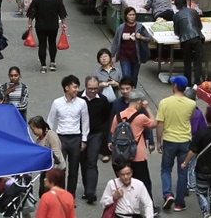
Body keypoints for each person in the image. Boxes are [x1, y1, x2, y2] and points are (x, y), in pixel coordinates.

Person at [109, 90, 157, 206]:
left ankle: (127, 206)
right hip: (138, 155)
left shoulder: (118, 116)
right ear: (139, 102)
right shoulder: (140, 117)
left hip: (121, 156)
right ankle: (148, 207)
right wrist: (147, 108)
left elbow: (112, 133)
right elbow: (153, 123)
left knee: (125, 183)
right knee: (144, 182)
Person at [156, 75, 196, 212]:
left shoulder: (164, 103)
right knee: (183, 171)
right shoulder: (191, 104)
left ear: (175, 86)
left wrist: (158, 141)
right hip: (185, 141)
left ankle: (168, 194)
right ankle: (180, 203)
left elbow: (160, 124)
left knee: (166, 169)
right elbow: (189, 118)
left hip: (169, 140)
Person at [46, 75, 89, 197]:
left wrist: (84, 140)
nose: (77, 89)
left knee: (74, 170)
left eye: (77, 87)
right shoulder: (57, 102)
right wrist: (49, 139)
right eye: (74, 87)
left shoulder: (82, 103)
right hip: (61, 138)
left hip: (76, 138)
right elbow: (50, 121)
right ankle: (59, 195)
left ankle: (71, 196)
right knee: (59, 169)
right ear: (66, 87)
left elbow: (85, 121)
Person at [78, 76, 111, 204]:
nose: (93, 91)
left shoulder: (103, 100)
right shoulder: (78, 97)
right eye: (90, 89)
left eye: (95, 89)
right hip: (80, 134)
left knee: (92, 162)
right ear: (85, 87)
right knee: (83, 162)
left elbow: (106, 118)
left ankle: (91, 192)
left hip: (95, 135)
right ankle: (87, 188)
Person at [27, 0, 67, 74]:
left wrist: (30, 23)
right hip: (53, 25)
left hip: (40, 25)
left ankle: (43, 65)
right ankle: (52, 62)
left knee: (42, 44)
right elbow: (62, 13)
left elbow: (32, 12)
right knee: (52, 43)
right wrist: (64, 24)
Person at [110, 77, 156, 160]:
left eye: (127, 89)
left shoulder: (140, 105)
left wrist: (151, 142)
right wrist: (110, 140)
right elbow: (112, 123)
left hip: (138, 141)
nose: (125, 91)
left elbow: (147, 124)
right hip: (121, 141)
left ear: (133, 88)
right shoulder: (116, 103)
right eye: (122, 89)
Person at [110, 7, 152, 86]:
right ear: (126, 16)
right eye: (130, 15)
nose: (132, 16)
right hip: (124, 56)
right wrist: (112, 55)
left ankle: (133, 92)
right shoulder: (121, 27)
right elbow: (116, 42)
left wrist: (141, 37)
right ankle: (127, 92)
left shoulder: (140, 27)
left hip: (136, 56)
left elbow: (148, 39)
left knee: (134, 76)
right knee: (126, 76)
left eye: (133, 15)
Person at [28, 116, 67, 196]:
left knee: (54, 196)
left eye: (33, 129)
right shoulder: (39, 140)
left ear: (39, 127)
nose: (33, 132)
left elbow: (57, 154)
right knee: (43, 194)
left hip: (56, 171)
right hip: (45, 171)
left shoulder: (51, 135)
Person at [173, 0, 204, 86]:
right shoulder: (194, 12)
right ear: (185, 4)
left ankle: (187, 82)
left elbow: (176, 32)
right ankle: (197, 82)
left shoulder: (176, 16)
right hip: (197, 37)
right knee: (198, 61)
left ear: (177, 7)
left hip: (185, 39)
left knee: (187, 62)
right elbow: (200, 26)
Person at [185, 88, 207, 193]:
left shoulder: (182, 112)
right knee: (192, 164)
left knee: (184, 163)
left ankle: (185, 182)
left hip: (183, 139)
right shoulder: (198, 113)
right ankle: (192, 184)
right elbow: (203, 128)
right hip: (195, 142)